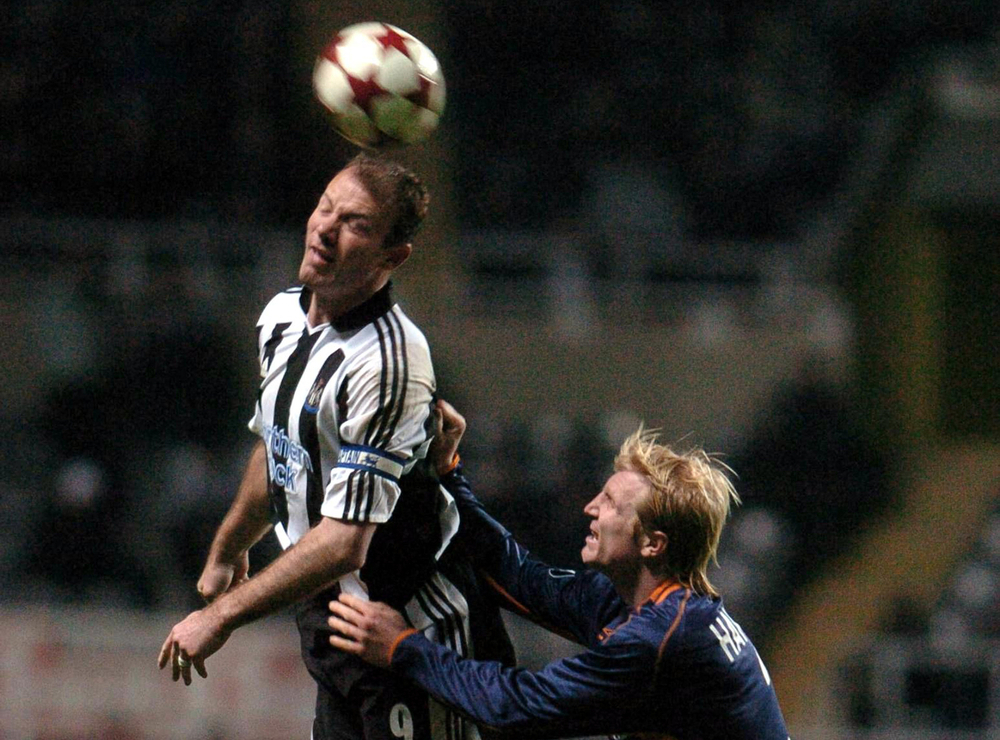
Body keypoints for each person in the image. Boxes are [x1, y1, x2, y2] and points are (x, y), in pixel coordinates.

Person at [158, 155, 512, 740]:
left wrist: (220, 616)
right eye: (326, 206)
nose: (325, 227)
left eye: (356, 224)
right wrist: (228, 548)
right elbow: (278, 445)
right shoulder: (280, 317)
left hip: (407, 631)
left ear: (391, 258)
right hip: (333, 625)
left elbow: (346, 542)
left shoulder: (389, 361)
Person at [328, 400, 790, 740]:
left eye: (610, 504)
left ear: (653, 543)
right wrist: (450, 470)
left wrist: (402, 648)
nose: (591, 508)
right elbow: (520, 576)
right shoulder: (643, 606)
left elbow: (518, 706)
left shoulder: (660, 640)